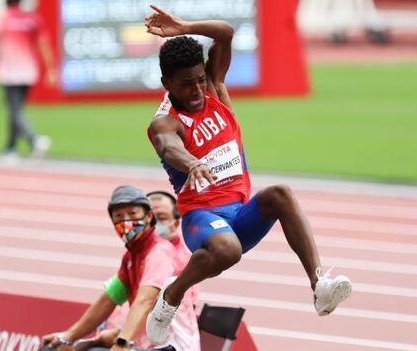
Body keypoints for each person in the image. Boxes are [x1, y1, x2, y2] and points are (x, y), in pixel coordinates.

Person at [144, 5, 352, 344]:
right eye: (186, 85)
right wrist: (193, 163)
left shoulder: (213, 87)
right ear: (166, 83)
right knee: (228, 250)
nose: (197, 91)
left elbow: (225, 31)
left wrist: (183, 26)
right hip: (202, 218)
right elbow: (169, 147)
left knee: (280, 194)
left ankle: (320, 287)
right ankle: (172, 295)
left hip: (239, 213)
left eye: (199, 80)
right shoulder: (164, 122)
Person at [41, 185, 200, 351]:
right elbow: (108, 301)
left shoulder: (159, 252)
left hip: (172, 347)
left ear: (148, 217)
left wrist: (121, 342)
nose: (126, 222)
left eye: (132, 214)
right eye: (119, 216)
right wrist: (67, 337)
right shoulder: (132, 256)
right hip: (144, 345)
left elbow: (145, 301)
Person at [0, 0, 56, 160]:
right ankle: (10, 148)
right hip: (28, 71)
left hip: (9, 71)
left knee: (14, 111)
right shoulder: (31, 19)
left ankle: (34, 139)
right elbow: (44, 44)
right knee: (16, 109)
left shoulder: (2, 20)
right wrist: (51, 69)